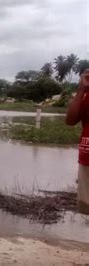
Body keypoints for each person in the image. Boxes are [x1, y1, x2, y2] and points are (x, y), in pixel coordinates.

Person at [66, 69, 89, 215]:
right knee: (86, 207)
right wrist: (81, 90)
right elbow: (70, 120)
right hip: (86, 158)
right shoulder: (86, 96)